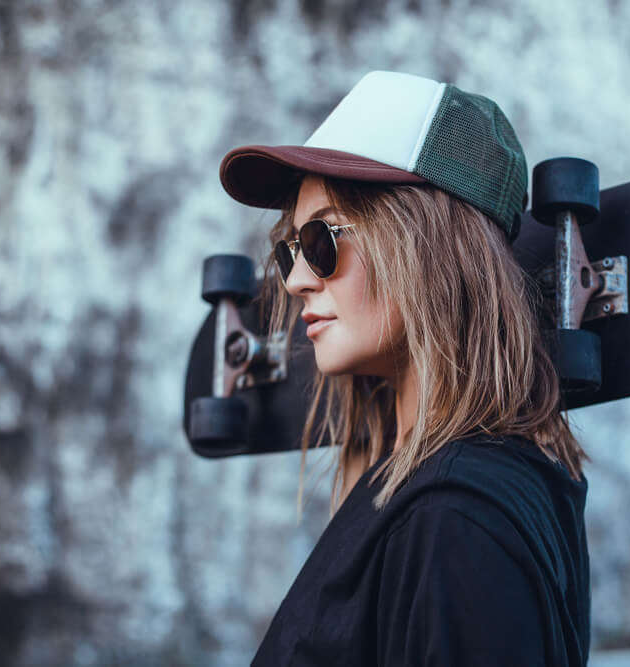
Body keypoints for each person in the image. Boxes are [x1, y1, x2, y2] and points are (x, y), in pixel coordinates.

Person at [219, 71, 590, 666]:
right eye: (291, 250)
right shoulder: (426, 489)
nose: (295, 281)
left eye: (321, 240)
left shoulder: (458, 522)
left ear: (425, 249)